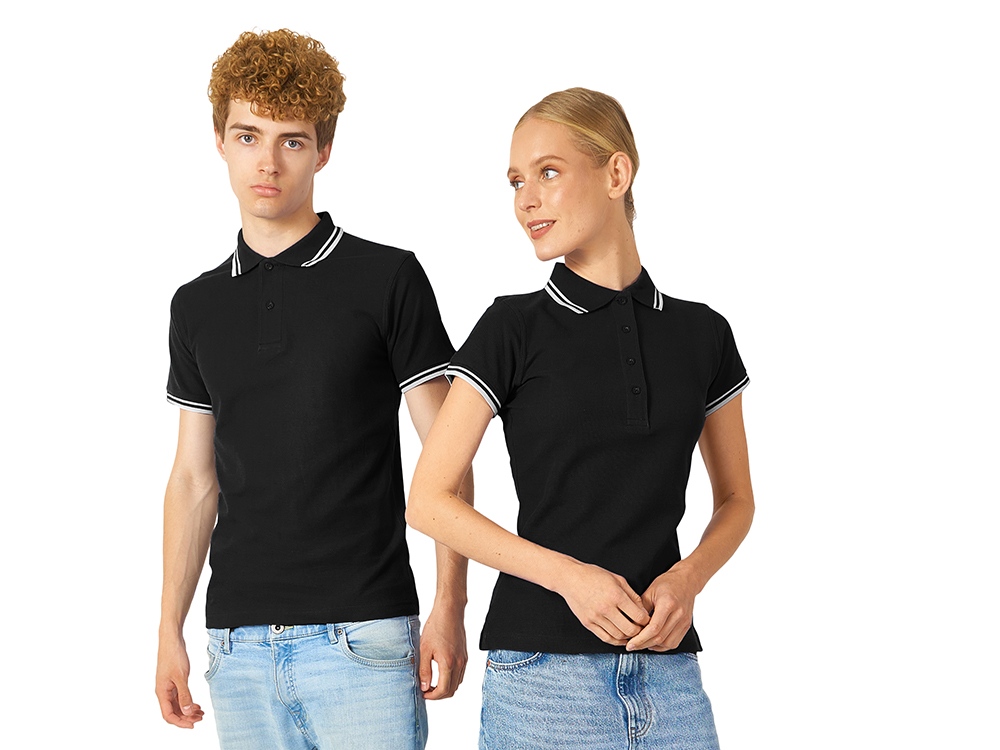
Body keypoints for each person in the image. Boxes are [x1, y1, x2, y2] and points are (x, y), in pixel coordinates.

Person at [407, 87, 753, 749]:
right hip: (542, 681)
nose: (526, 200)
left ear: (616, 174)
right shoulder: (511, 328)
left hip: (670, 678)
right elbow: (428, 501)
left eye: (548, 172)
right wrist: (571, 579)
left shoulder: (704, 334)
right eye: (516, 182)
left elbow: (737, 499)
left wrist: (688, 578)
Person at [155, 29, 471, 750]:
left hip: (364, 638)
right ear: (219, 141)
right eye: (248, 136)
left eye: (291, 141)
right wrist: (169, 629)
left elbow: (448, 456)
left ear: (323, 150)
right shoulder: (195, 306)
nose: (267, 162)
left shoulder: (387, 279)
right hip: (236, 647)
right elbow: (193, 479)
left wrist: (449, 603)